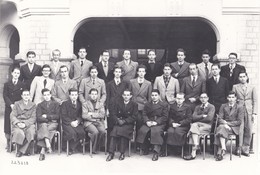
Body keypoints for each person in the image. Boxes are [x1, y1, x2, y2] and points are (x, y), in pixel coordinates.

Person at [136, 89, 168, 161]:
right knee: (142, 130)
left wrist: (156, 122)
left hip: (159, 123)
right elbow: (144, 114)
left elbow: (165, 117)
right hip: (149, 121)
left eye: (156, 95)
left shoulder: (164, 105)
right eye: (152, 95)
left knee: (156, 132)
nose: (154, 97)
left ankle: (156, 152)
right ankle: (145, 148)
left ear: (159, 96)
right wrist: (147, 121)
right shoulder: (147, 104)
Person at [106, 89, 138, 161]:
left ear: (131, 96)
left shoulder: (134, 105)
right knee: (114, 133)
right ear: (122, 96)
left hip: (128, 124)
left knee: (123, 133)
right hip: (119, 122)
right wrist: (118, 120)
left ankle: (122, 153)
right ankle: (111, 153)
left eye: (128, 95)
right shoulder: (118, 103)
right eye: (125, 95)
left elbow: (134, 116)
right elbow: (113, 114)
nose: (126, 97)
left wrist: (125, 121)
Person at [183, 93, 215, 160]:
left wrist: (198, 118)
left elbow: (209, 118)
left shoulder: (211, 107)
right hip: (197, 126)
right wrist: (203, 116)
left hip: (207, 126)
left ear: (208, 98)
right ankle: (196, 146)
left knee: (193, 128)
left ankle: (193, 153)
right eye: (201, 97)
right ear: (200, 99)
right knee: (194, 128)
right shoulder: (197, 107)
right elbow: (193, 117)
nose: (203, 99)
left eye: (205, 97)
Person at [232, 71, 257, 156]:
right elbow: (233, 99)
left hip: (249, 110)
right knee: (240, 129)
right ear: (238, 78)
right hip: (239, 110)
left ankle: (246, 148)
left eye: (244, 76)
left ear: (247, 77)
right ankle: (238, 148)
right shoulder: (235, 87)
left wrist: (254, 113)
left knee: (248, 129)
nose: (242, 78)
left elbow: (255, 100)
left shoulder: (252, 87)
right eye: (240, 77)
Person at [214, 91, 243, 161]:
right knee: (221, 128)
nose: (231, 99)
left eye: (233, 97)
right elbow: (220, 118)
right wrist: (225, 124)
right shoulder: (223, 106)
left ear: (236, 98)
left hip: (234, 127)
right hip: (224, 126)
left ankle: (220, 151)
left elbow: (239, 121)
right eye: (229, 97)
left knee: (221, 129)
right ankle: (222, 149)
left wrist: (227, 124)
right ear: (227, 98)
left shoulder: (240, 107)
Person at [206, 64, 229, 150]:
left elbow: (227, 93)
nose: (214, 71)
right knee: (212, 126)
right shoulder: (208, 81)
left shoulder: (225, 80)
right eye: (213, 69)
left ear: (219, 70)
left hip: (222, 106)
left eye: (216, 69)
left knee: (220, 125)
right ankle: (212, 146)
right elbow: (207, 94)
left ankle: (219, 146)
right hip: (212, 106)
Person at [3, 67, 26, 151]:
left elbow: (23, 96)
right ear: (12, 73)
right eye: (15, 73)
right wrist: (10, 104)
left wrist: (17, 105)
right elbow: (5, 96)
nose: (16, 75)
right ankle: (8, 142)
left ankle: (16, 141)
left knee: (17, 122)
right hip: (9, 107)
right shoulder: (7, 84)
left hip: (18, 107)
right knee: (8, 124)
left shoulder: (22, 84)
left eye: (18, 73)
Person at [10, 89, 36, 157]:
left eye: (27, 95)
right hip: (18, 123)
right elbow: (12, 115)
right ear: (22, 96)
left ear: (30, 96)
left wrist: (25, 124)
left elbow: (33, 118)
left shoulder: (33, 105)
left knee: (31, 132)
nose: (26, 96)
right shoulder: (17, 103)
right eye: (24, 95)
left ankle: (21, 151)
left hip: (28, 124)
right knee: (19, 133)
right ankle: (25, 150)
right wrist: (18, 123)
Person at [36, 88, 60, 161]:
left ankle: (44, 147)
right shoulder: (40, 105)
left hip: (53, 124)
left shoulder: (56, 104)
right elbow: (38, 117)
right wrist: (50, 119)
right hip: (44, 124)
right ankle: (46, 146)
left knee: (44, 129)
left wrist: (47, 116)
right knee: (45, 127)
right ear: (43, 96)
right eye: (45, 95)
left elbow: (58, 116)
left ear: (50, 95)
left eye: (48, 95)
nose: (46, 96)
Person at [61, 88, 85, 155]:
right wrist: (71, 122)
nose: (74, 96)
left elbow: (81, 115)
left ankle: (74, 146)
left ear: (77, 95)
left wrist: (77, 121)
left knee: (82, 132)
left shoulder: (79, 104)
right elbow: (63, 115)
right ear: (69, 96)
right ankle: (69, 148)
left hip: (76, 122)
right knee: (72, 133)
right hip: (67, 123)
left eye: (75, 95)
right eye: (72, 95)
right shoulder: (65, 104)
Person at [106, 65, 129, 135]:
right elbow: (107, 96)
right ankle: (110, 145)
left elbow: (126, 96)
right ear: (114, 73)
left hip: (120, 107)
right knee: (111, 126)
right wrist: (107, 108)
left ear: (121, 73)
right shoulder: (109, 84)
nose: (118, 73)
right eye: (116, 72)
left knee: (119, 126)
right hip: (112, 106)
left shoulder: (125, 83)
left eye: (119, 72)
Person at [82, 88, 106, 154]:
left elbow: (102, 115)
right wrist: (95, 117)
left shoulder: (100, 104)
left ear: (98, 95)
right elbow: (84, 115)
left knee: (103, 131)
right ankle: (93, 149)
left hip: (98, 122)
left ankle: (93, 145)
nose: (94, 95)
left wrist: (91, 114)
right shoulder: (85, 104)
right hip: (88, 123)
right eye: (92, 94)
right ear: (89, 95)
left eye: (95, 94)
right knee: (95, 132)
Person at [129, 64, 152, 130]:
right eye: (140, 71)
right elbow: (129, 94)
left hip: (143, 106)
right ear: (137, 72)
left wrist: (148, 107)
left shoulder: (148, 83)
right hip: (133, 105)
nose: (141, 73)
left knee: (140, 122)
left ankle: (139, 139)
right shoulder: (132, 82)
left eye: (143, 71)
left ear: (145, 73)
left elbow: (149, 97)